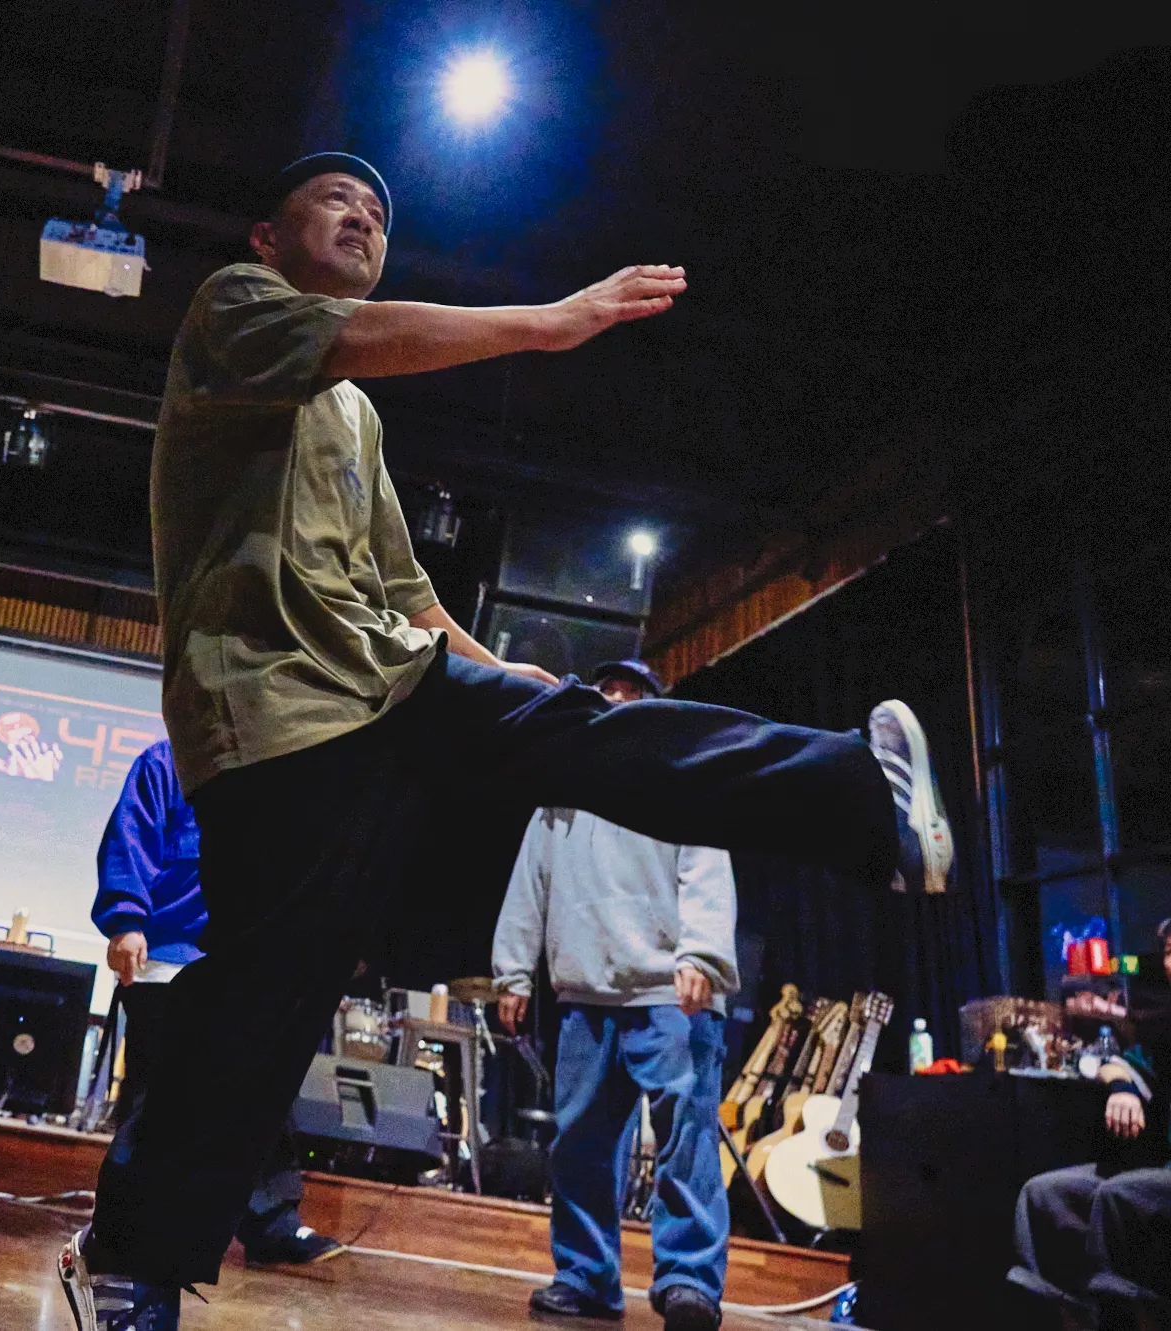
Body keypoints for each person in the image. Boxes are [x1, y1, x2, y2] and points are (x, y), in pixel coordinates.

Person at [56, 152, 952, 1331]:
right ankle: (129, 1258)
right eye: (336, 202)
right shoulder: (234, 309)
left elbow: (401, 587)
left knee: (593, 732)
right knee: (259, 999)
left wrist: (494, 668)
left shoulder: (354, 416)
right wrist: (550, 320)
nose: (363, 218)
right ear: (266, 237)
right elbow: (357, 334)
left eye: (378, 213)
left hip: (391, 685)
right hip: (273, 717)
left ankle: (862, 804)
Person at [492, 659, 737, 1331]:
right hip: (587, 993)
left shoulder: (680, 779)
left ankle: (689, 1282)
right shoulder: (561, 794)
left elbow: (707, 869)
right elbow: (530, 885)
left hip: (672, 992)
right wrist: (512, 972)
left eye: (635, 693)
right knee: (581, 1145)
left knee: (686, 1139)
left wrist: (703, 956)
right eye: (609, 691)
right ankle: (587, 1278)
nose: (619, 699)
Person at [94, 738, 342, 1268]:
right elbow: (130, 839)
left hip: (245, 962)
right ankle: (126, 1223)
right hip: (167, 959)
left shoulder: (275, 765)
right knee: (154, 1100)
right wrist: (126, 920)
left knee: (261, 1095)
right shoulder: (165, 761)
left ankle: (273, 1226)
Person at [1010, 918, 1171, 1331]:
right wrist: (1123, 1087)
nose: (1170, 963)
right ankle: (1064, 1315)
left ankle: (1121, 1319)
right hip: (1158, 1167)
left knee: (1118, 1195)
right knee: (1043, 1195)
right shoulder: (1164, 1029)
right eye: (1169, 953)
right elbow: (1111, 1063)